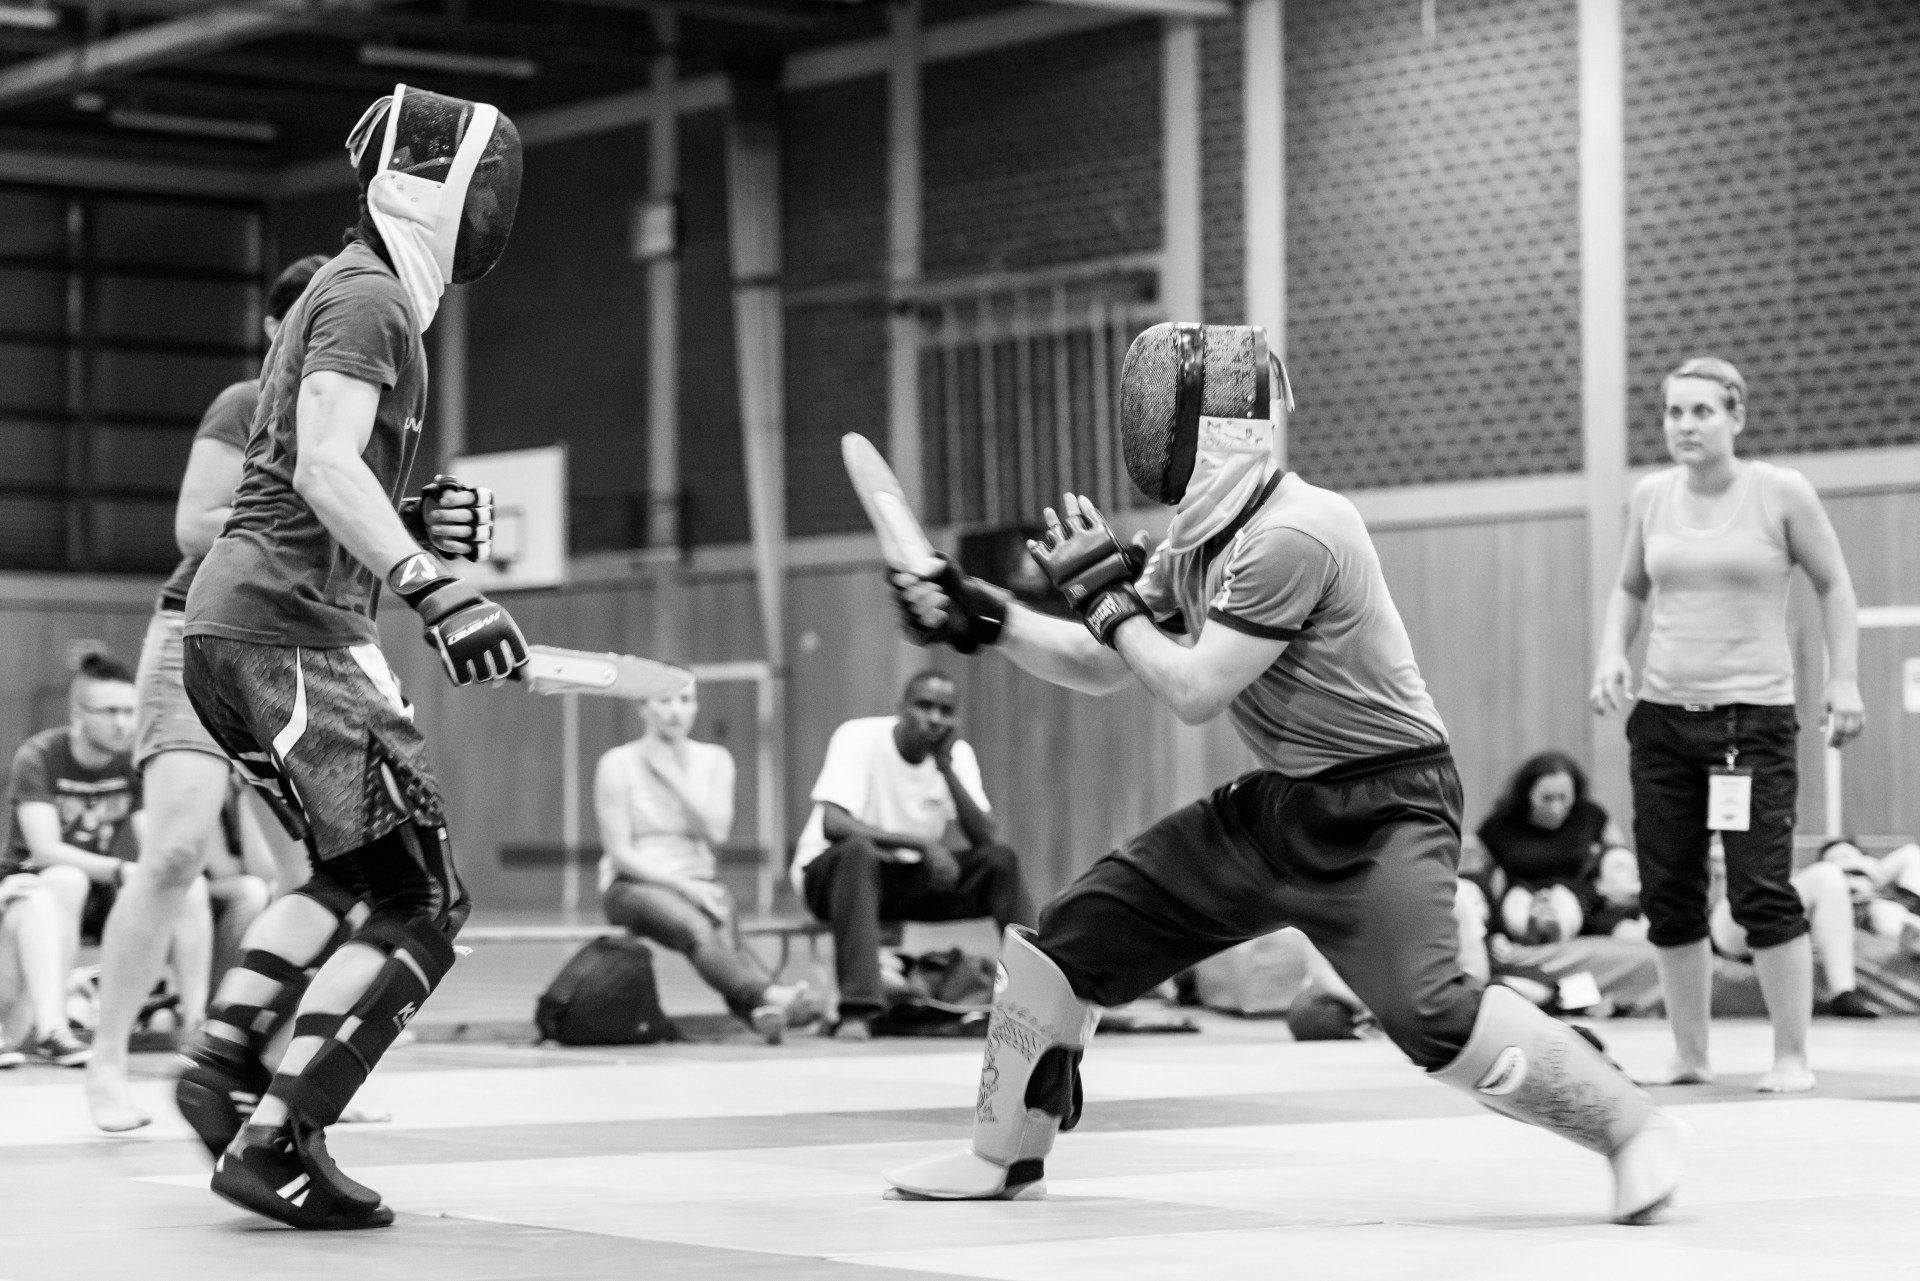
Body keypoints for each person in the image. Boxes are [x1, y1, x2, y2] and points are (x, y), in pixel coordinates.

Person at [881, 322, 1683, 1225]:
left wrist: (1105, 599)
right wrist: (982, 614)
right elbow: (1106, 662)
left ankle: (1632, 1128)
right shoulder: (1196, 537)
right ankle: (1000, 1157)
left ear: (1206, 425)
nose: (1144, 428)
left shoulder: (1298, 530)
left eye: (1159, 409)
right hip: (1284, 802)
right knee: (1069, 941)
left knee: (1433, 1013)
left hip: (1388, 804)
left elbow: (1192, 688)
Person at [171, 84, 525, 1231]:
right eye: (481, 186)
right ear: (425, 191)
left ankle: (224, 1069)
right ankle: (280, 1137)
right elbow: (324, 465)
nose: (491, 212)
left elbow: (300, 469)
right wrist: (430, 582)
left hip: (237, 628)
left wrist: (409, 521)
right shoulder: (371, 296)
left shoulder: (351, 291)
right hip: (290, 629)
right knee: (424, 898)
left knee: (355, 876)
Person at [88, 254, 328, 1133]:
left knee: (317, 874)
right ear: (274, 329)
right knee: (176, 852)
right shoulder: (246, 401)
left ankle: (272, 1063)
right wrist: (310, 513)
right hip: (197, 634)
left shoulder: (350, 422)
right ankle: (106, 1062)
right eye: (308, 317)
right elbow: (193, 525)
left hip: (287, 651)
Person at [1591, 355, 1864, 1093]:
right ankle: (1690, 1054)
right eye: (1674, 411)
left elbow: (1835, 585)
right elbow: (1628, 589)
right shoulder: (1651, 496)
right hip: (1664, 720)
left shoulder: (1780, 493)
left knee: (1759, 889)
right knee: (1669, 892)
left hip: (1754, 722)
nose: (1685, 425)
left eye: (1702, 411)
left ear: (1736, 416)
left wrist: (1842, 677)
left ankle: (1791, 1055)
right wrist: (1612, 652)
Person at [793, 671, 1035, 1040]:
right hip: (831, 877)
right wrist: (922, 845)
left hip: (900, 880)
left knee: (1000, 862)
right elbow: (834, 824)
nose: (935, 718)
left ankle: (1036, 995)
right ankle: (858, 1009)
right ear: (901, 708)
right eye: (924, 706)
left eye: (946, 711)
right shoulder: (858, 737)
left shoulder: (956, 755)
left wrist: (945, 767)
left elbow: (985, 837)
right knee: (858, 852)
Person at [597, 682, 820, 1042]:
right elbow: (621, 853)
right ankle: (771, 994)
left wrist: (671, 775)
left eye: (685, 700)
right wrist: (681, 885)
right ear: (642, 706)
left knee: (726, 943)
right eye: (664, 699)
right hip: (631, 886)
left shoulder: (715, 759)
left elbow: (717, 831)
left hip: (699, 881)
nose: (675, 710)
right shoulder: (617, 763)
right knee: (697, 929)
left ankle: (762, 1012)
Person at [3, 655, 181, 1069]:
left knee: (189, 889)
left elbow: (152, 840)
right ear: (79, 714)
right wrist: (121, 870)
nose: (123, 723)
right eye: (110, 711)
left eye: (130, 711)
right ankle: (53, 1027)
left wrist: (163, 871)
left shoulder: (133, 762)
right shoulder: (40, 755)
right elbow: (45, 850)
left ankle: (193, 1023)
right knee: (65, 879)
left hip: (98, 890)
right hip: (30, 885)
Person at [1460, 751, 1632, 948]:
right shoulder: (1499, 826)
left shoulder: (1591, 815)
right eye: (1547, 798)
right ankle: (1532, 927)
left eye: (1563, 798)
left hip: (1577, 897)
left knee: (1565, 900)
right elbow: (1476, 877)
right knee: (1519, 903)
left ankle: (1554, 927)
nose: (1556, 807)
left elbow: (1620, 855)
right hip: (1520, 894)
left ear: (1575, 793)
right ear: (1528, 794)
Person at [1706, 839, 1874, 1018]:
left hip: (1776, 938)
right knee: (1825, 876)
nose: (1844, 865)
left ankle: (1843, 994)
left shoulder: (1877, 906)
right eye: (1836, 859)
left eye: (1849, 859)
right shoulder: (1819, 882)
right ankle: (1843, 994)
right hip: (1742, 927)